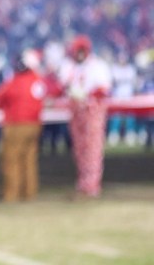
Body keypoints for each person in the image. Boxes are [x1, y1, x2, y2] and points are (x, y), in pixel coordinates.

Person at [57, 35, 111, 198]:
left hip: (92, 110)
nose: (78, 54)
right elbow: (62, 85)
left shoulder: (97, 66)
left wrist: (86, 95)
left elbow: (103, 88)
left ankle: (92, 185)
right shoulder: (69, 66)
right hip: (75, 110)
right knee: (79, 148)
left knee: (92, 148)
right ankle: (83, 182)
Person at [0, 48, 46, 202]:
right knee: (29, 159)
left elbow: (0, 95)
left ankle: (12, 194)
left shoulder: (16, 80)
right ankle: (29, 192)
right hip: (34, 124)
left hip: (16, 124)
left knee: (12, 159)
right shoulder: (37, 81)